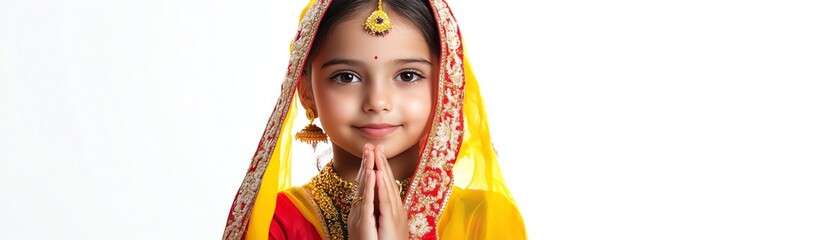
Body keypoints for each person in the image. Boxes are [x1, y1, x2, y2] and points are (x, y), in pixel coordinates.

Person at [223, 0, 526, 239]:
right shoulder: (275, 223)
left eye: (408, 75)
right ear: (307, 94)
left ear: (446, 87)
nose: (377, 102)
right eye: (347, 77)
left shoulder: (483, 219)